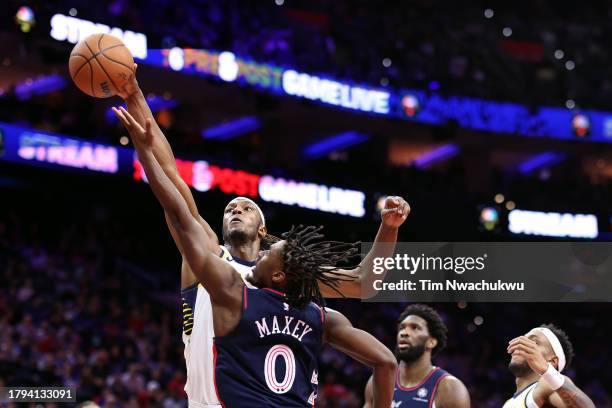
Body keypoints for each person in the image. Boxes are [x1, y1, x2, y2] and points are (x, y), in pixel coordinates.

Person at [116, 69, 410, 406]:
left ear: (263, 230)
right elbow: (171, 179)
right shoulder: (211, 254)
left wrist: (389, 228)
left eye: (246, 207)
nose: (236, 209)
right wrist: (135, 95)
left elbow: (365, 282)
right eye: (229, 209)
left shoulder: (287, 276)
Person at [364, 304, 470, 408]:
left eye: (414, 328)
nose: (404, 333)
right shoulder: (379, 379)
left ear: (431, 342)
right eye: (402, 328)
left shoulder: (450, 389)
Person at [504, 324, 595, 408]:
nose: (522, 345)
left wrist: (547, 371)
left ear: (552, 361)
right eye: (523, 340)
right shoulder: (509, 402)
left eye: (533, 342)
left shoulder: (547, 386)